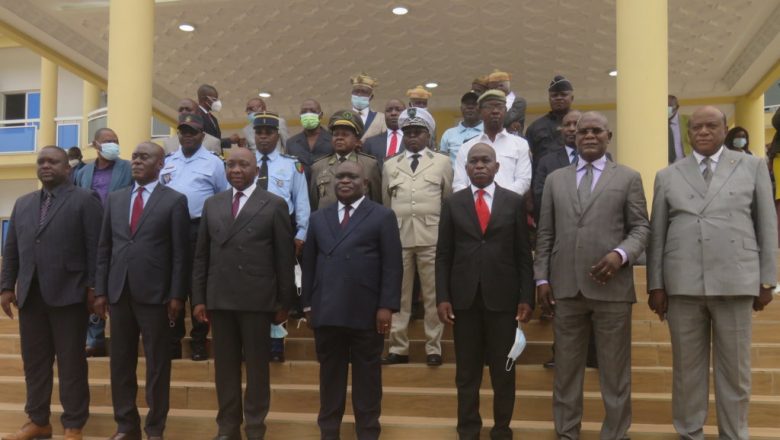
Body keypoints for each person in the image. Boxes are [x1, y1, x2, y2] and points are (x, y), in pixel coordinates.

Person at [647, 106, 777, 440]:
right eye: (696, 128)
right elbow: (657, 233)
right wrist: (656, 284)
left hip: (735, 280)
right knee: (687, 372)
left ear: (725, 129)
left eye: (711, 126)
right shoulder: (668, 174)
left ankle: (734, 435)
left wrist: (768, 280)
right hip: (682, 284)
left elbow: (766, 225)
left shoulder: (752, 166)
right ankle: (690, 433)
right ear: (688, 134)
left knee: (735, 371)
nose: (703, 132)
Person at [535, 112, 650, 440]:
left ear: (608, 136)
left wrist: (621, 254)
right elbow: (545, 233)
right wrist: (541, 278)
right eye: (582, 131)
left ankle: (615, 433)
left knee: (614, 372)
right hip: (566, 290)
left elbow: (641, 227)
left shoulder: (627, 177)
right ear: (572, 137)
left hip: (612, 290)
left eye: (595, 131)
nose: (588, 135)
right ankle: (567, 432)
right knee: (566, 372)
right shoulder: (557, 179)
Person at [192, 147, 296, 440]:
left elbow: (283, 258)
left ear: (256, 170)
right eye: (231, 164)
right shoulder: (213, 204)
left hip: (257, 299)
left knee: (257, 370)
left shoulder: (274, 204)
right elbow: (201, 256)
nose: (236, 170)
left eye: (243, 165)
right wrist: (199, 298)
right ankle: (227, 427)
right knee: (225, 370)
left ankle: (254, 428)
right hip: (220, 298)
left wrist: (284, 301)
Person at [1, 146, 103, 440]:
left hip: (70, 294)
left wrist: (94, 289)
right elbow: (11, 251)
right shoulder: (23, 203)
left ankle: (73, 424)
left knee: (71, 363)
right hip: (31, 295)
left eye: (53, 162)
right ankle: (38, 420)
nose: (46, 166)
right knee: (34, 363)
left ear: (67, 169)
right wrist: (6, 286)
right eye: (41, 161)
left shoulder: (85, 199)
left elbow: (96, 247)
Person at [436, 143, 534, 440]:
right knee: (467, 373)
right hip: (464, 302)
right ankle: (468, 430)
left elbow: (522, 254)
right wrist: (442, 297)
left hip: (503, 301)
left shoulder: (514, 202)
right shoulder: (453, 203)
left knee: (504, 372)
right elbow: (443, 254)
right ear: (465, 168)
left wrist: (526, 297)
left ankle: (502, 429)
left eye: (485, 161)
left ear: (496, 166)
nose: (479, 166)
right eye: (473, 162)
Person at [93, 142, 190, 440]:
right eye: (134, 157)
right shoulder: (116, 199)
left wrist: (177, 295)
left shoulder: (174, 201)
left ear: (160, 164)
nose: (136, 161)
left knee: (157, 365)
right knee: (120, 363)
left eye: (144, 157)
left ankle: (155, 428)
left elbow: (180, 253)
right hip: (119, 292)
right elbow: (105, 247)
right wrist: (100, 291)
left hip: (157, 295)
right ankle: (126, 426)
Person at [301, 160, 403, 440]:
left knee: (367, 378)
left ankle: (368, 432)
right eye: (340, 177)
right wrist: (308, 304)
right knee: (330, 376)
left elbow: (393, 265)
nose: (345, 181)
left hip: (367, 311)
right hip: (327, 309)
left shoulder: (382, 216)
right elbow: (308, 264)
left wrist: (386, 306)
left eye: (352, 177)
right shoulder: (319, 217)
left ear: (366, 184)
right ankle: (329, 431)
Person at [381, 108, 453, 367]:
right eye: (408, 132)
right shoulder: (390, 164)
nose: (412, 137)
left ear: (428, 134)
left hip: (431, 237)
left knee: (433, 296)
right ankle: (398, 348)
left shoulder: (442, 162)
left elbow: (447, 201)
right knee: (398, 295)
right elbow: (386, 203)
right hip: (399, 237)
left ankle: (433, 347)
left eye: (418, 132)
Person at [161, 112, 229, 361]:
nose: (187, 136)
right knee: (174, 282)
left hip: (200, 228)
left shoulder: (214, 163)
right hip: (170, 229)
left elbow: (224, 197)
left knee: (198, 283)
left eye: (192, 132)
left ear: (202, 135)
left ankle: (199, 340)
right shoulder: (168, 161)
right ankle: (173, 339)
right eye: (183, 132)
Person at [252, 111, 310, 362]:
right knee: (250, 287)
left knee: (280, 288)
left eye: (269, 132)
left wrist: (301, 233)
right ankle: (252, 343)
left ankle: (276, 344)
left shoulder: (291, 164)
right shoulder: (242, 161)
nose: (263, 137)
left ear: (277, 135)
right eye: (259, 132)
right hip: (248, 231)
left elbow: (302, 202)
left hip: (281, 231)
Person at [74, 127, 132, 358]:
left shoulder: (128, 168)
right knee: (93, 284)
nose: (113, 145)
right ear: (95, 145)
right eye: (108, 141)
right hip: (91, 232)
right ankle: (94, 338)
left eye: (116, 141)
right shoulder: (83, 172)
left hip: (119, 232)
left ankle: (120, 336)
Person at [453, 90, 532, 196]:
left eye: (499, 107)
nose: (495, 111)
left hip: (509, 206)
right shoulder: (466, 147)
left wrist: (500, 200)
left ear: (505, 111)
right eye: (489, 107)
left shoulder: (520, 144)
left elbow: (523, 181)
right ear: (480, 112)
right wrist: (475, 202)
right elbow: (459, 183)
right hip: (473, 208)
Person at [309, 110, 382, 210]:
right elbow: (314, 203)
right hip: (329, 222)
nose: (339, 138)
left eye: (345, 135)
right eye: (336, 134)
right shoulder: (318, 167)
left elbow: (376, 201)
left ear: (356, 140)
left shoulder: (369, 165)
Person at [524, 75, 575, 169]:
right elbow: (527, 160)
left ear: (572, 98)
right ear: (549, 99)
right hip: (543, 178)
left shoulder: (582, 124)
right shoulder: (535, 127)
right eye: (554, 95)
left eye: (563, 94)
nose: (559, 98)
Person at [285, 98, 333, 183]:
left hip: (325, 191)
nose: (308, 114)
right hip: (300, 192)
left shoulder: (333, 140)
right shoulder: (291, 143)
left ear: (321, 115)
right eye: (304, 112)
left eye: (313, 111)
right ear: (300, 116)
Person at [439, 91, 483, 167]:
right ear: (461, 108)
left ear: (481, 108)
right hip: (454, 178)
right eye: (467, 104)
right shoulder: (449, 134)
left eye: (474, 104)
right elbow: (442, 162)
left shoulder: (489, 132)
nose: (470, 107)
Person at [362, 99, 406, 168]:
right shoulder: (370, 142)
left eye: (398, 110)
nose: (393, 113)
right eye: (389, 110)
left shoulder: (414, 141)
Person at [350, 73, 387, 141]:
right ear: (352, 93)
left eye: (364, 92)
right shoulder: (342, 116)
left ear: (371, 97)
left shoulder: (382, 119)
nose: (359, 95)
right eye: (356, 91)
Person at [667, 94, 692, 164]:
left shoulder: (688, 121)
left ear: (677, 107)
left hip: (685, 164)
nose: (666, 109)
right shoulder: (656, 123)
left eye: (669, 106)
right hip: (665, 166)